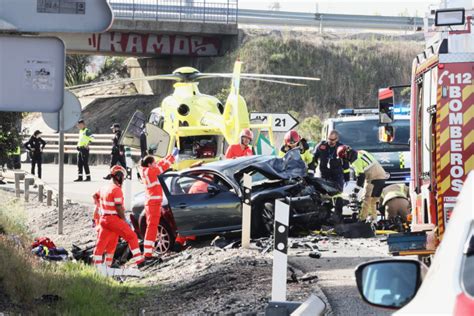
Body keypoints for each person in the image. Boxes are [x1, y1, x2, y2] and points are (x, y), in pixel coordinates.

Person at [92, 165, 145, 268]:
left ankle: (99, 267)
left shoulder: (103, 188)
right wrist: (125, 220)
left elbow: (94, 196)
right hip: (113, 219)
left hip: (104, 219)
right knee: (132, 237)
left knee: (105, 244)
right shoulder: (116, 190)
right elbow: (118, 207)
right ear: (119, 176)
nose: (123, 180)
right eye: (123, 177)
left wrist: (98, 206)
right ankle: (140, 261)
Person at [140, 150, 178, 259]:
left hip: (151, 203)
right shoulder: (151, 172)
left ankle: (148, 252)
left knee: (152, 227)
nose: (156, 164)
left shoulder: (147, 171)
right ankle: (147, 254)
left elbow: (160, 164)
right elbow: (162, 167)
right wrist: (171, 158)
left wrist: (170, 155)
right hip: (153, 204)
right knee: (152, 228)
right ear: (149, 164)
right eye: (154, 163)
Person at [309, 130, 350, 224]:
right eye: (329, 139)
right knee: (323, 195)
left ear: (337, 139)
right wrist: (311, 172)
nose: (331, 141)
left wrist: (346, 176)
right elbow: (314, 160)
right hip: (324, 174)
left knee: (338, 195)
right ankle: (324, 217)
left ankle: (338, 217)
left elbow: (346, 163)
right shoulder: (321, 146)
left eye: (333, 139)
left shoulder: (341, 147)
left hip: (337, 174)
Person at [337, 145, 386, 223]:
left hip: (373, 178)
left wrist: (356, 190)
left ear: (346, 155)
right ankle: (374, 220)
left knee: (366, 199)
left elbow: (361, 176)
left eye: (343, 158)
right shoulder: (361, 151)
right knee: (373, 201)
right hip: (382, 176)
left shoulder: (355, 161)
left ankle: (362, 220)